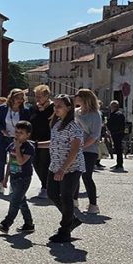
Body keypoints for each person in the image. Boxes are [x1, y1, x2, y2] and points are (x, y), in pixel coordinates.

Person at [47, 94, 86, 242]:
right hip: (55, 165)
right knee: (51, 193)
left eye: (59, 106)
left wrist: (63, 169)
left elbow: (75, 150)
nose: (56, 109)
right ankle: (72, 219)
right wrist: (36, 144)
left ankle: (64, 230)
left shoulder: (74, 127)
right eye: (55, 106)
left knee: (66, 196)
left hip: (71, 168)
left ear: (69, 108)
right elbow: (53, 143)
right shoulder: (57, 124)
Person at [0, 121, 36, 234]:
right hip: (14, 177)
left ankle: (6, 224)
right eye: (16, 132)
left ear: (28, 135)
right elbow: (10, 162)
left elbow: (21, 161)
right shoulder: (12, 145)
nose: (17, 135)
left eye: (21, 133)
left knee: (15, 201)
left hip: (24, 178)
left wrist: (18, 147)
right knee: (21, 201)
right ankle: (29, 223)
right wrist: (5, 177)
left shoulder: (28, 147)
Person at [0, 89, 30, 195]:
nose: (20, 100)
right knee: (0, 160)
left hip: (16, 139)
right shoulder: (3, 108)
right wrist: (3, 130)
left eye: (22, 98)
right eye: (17, 98)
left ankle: (13, 184)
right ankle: (0, 182)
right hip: (2, 137)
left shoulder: (25, 111)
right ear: (12, 98)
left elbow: (26, 124)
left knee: (14, 162)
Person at [75, 88, 102, 214]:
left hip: (90, 149)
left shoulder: (95, 114)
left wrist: (83, 146)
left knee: (86, 176)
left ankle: (93, 204)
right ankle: (74, 200)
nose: (75, 97)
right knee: (74, 174)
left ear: (84, 98)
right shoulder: (76, 112)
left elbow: (95, 134)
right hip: (75, 147)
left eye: (78, 96)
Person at [29, 85, 54, 199]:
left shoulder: (53, 107)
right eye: (36, 96)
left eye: (39, 96)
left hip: (47, 139)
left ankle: (46, 187)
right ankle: (45, 184)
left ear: (46, 96)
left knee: (45, 163)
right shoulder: (34, 108)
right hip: (34, 139)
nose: (37, 99)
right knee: (35, 163)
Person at [107, 100, 127, 172]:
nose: (110, 107)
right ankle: (118, 163)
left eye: (111, 106)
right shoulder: (119, 114)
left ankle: (119, 164)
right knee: (118, 149)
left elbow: (112, 124)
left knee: (118, 149)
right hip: (118, 133)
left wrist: (111, 130)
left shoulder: (116, 114)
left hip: (116, 134)